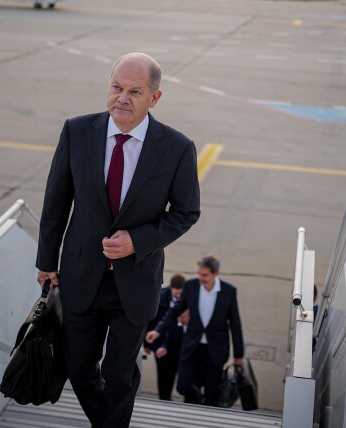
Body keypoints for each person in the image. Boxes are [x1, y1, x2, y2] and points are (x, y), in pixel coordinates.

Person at [35, 52, 201, 428]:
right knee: (77, 369)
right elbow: (55, 202)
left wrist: (138, 241)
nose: (121, 98)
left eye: (134, 91)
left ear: (154, 99)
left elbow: (186, 213)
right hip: (81, 276)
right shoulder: (77, 132)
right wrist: (47, 261)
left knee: (119, 376)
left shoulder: (176, 148)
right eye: (115, 87)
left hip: (135, 282)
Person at [146, 256, 244, 406]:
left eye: (205, 275)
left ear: (215, 274)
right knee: (183, 386)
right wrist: (158, 331)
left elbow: (235, 325)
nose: (201, 278)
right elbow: (174, 312)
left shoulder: (228, 292)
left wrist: (239, 355)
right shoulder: (191, 286)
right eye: (199, 274)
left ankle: (204, 407)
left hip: (215, 349)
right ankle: (199, 399)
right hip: (192, 347)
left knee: (211, 392)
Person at [144, 273, 186, 401]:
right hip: (159, 342)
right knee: (163, 373)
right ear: (171, 288)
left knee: (173, 371)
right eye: (176, 293)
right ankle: (164, 399)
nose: (178, 296)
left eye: (181, 293)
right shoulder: (160, 297)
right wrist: (147, 345)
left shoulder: (187, 298)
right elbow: (150, 321)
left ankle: (168, 397)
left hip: (178, 342)